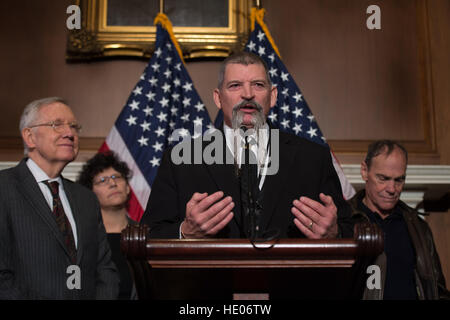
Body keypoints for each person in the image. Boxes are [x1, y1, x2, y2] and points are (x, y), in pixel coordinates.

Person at [141, 51, 353, 240]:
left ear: (273, 96)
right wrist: (185, 232)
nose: (248, 94)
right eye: (235, 85)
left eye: (258, 85)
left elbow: (349, 229)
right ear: (218, 98)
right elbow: (148, 234)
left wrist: (335, 233)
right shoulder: (180, 159)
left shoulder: (313, 158)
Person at [0, 97, 119, 299]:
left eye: (74, 126)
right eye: (57, 125)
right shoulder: (4, 188)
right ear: (30, 137)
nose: (69, 133)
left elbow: (105, 269)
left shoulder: (86, 199)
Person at [349, 140, 449, 300]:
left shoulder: (418, 227)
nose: (391, 189)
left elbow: (437, 290)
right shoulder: (345, 221)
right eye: (383, 178)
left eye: (399, 180)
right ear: (364, 171)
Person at [77, 151, 137, 300]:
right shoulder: (81, 237)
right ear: (90, 194)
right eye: (102, 180)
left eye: (116, 177)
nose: (112, 183)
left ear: (128, 188)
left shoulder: (146, 234)